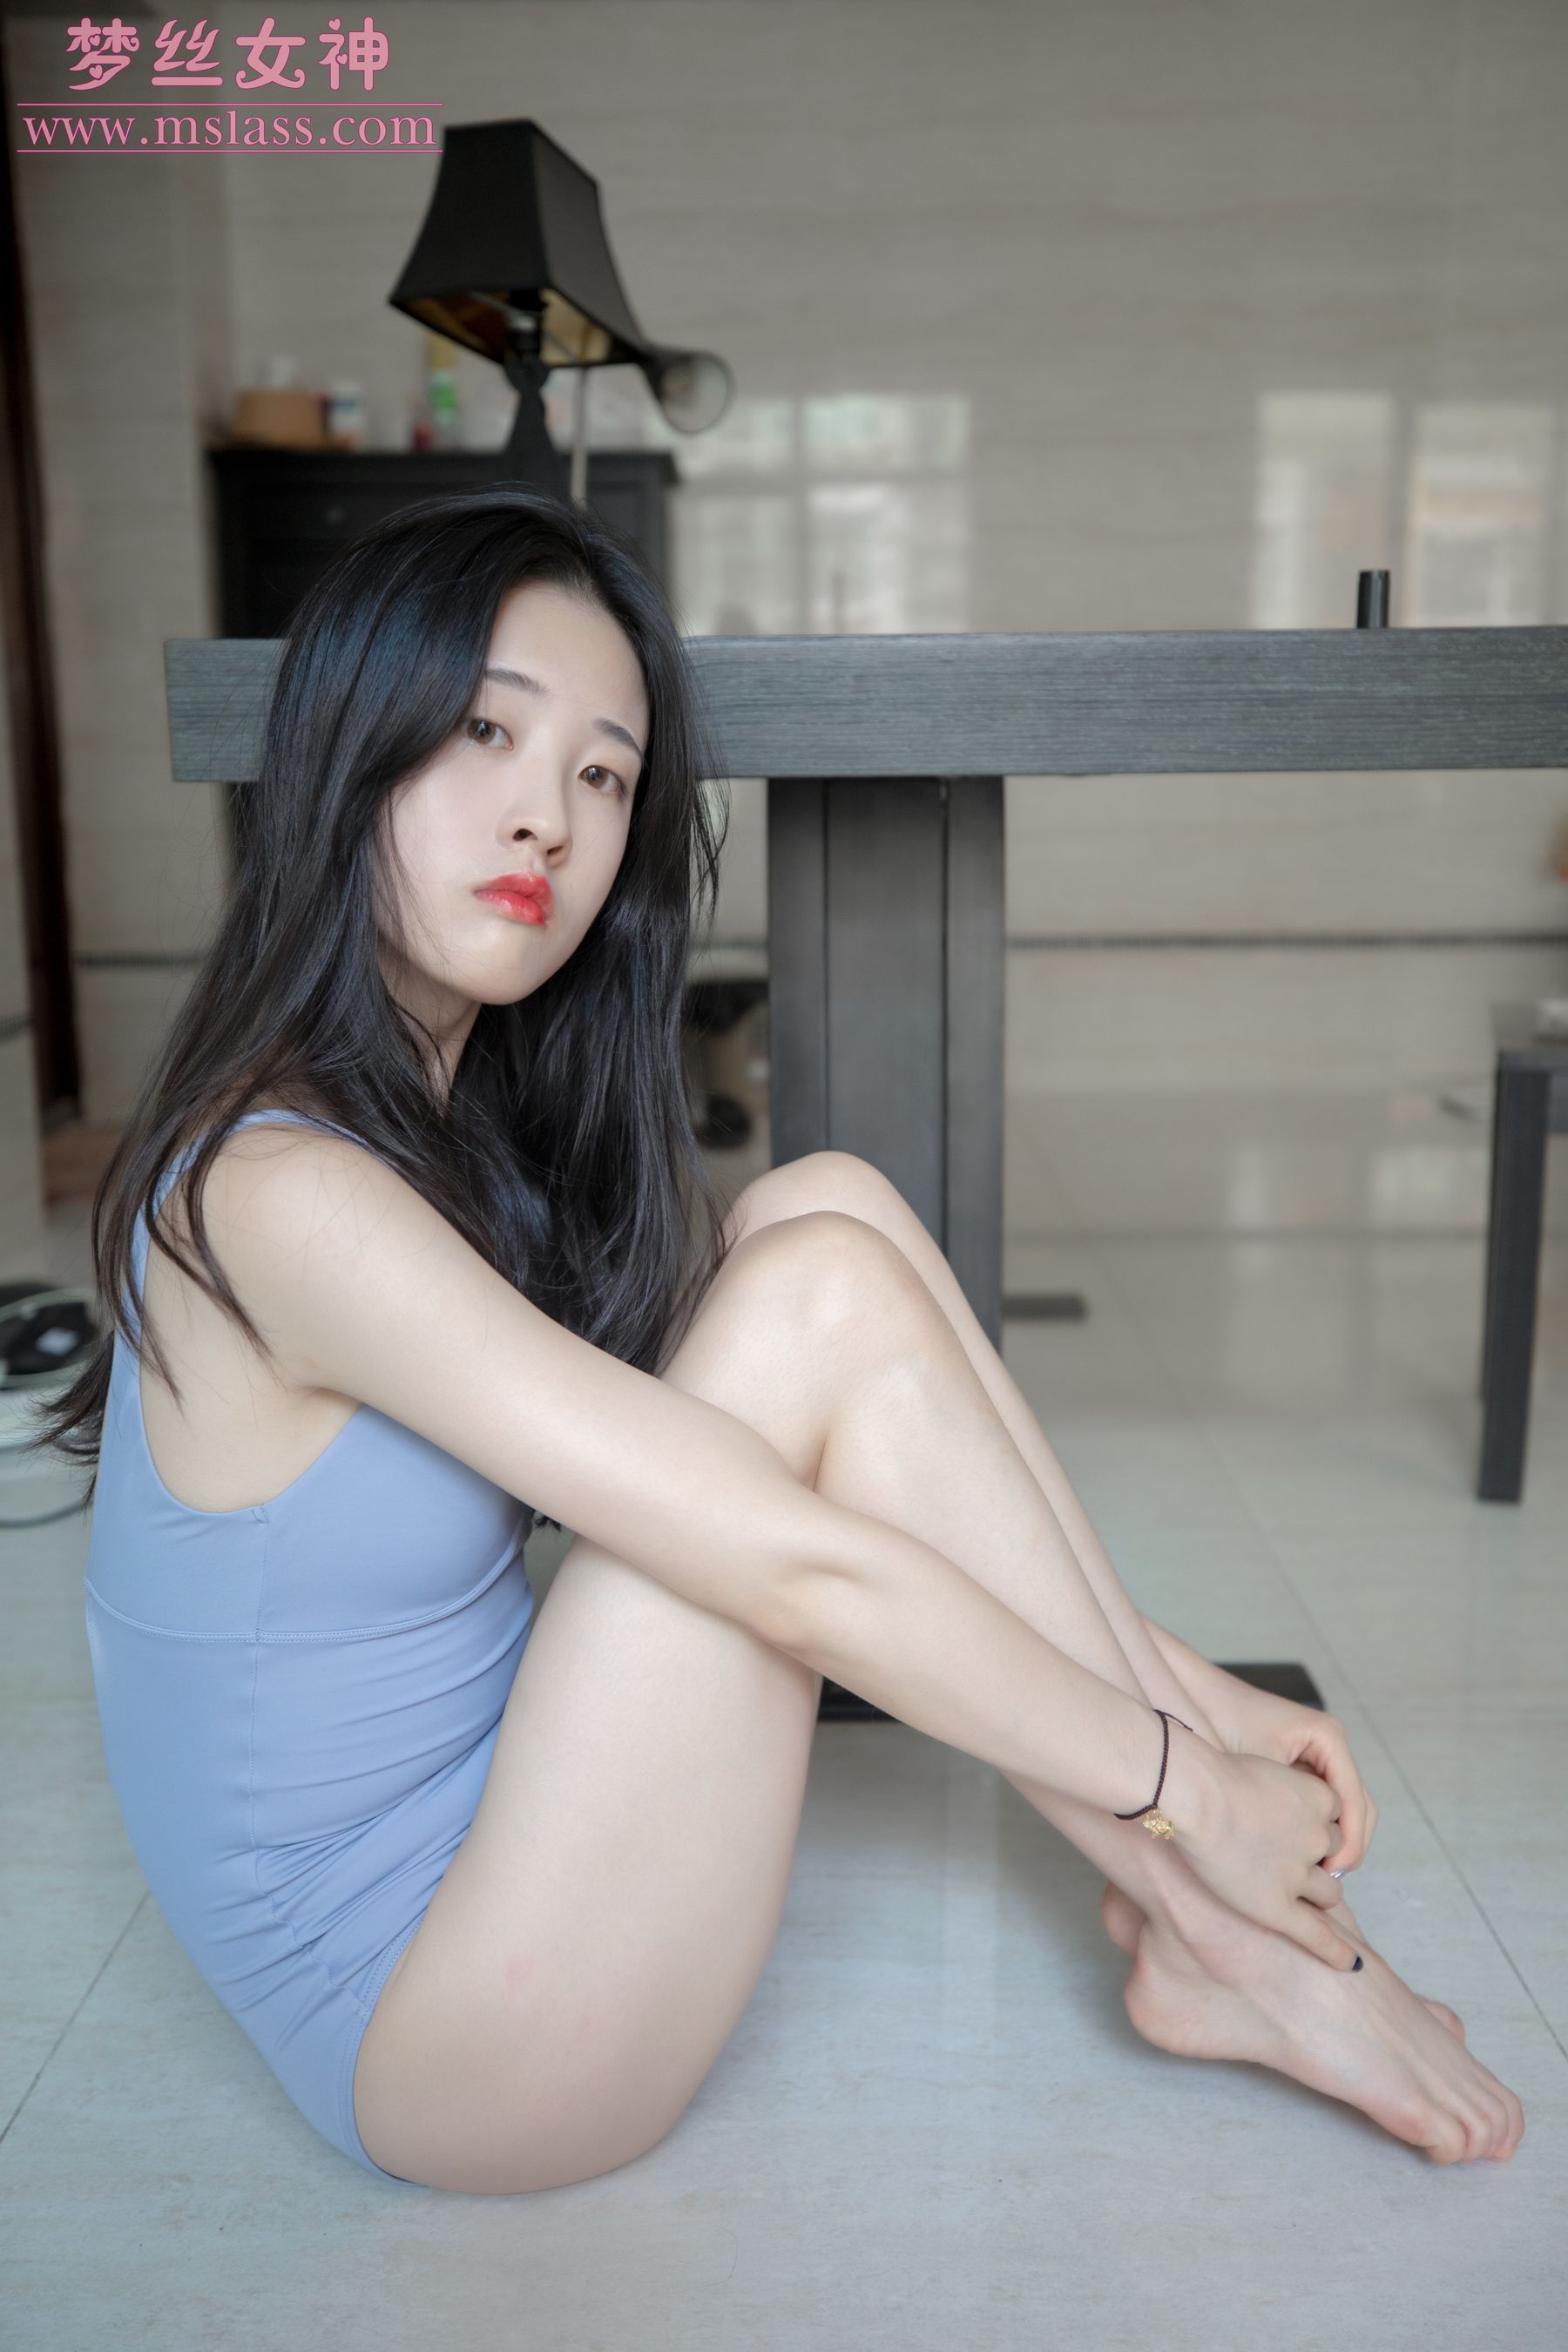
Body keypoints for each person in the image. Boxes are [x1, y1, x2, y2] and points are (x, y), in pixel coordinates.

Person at [35, 487, 1523, 2193]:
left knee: (826, 1208)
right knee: (822, 1302)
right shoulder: (278, 1192)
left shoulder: (433, 1134)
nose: (545, 820)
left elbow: (859, 1481)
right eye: (484, 732)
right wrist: (1186, 1777)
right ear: (345, 751)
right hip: (447, 2042)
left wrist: (1191, 1689)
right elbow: (802, 1568)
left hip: (507, 1841)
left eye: (604, 775)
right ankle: (1233, 1927)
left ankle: (1215, 1916)